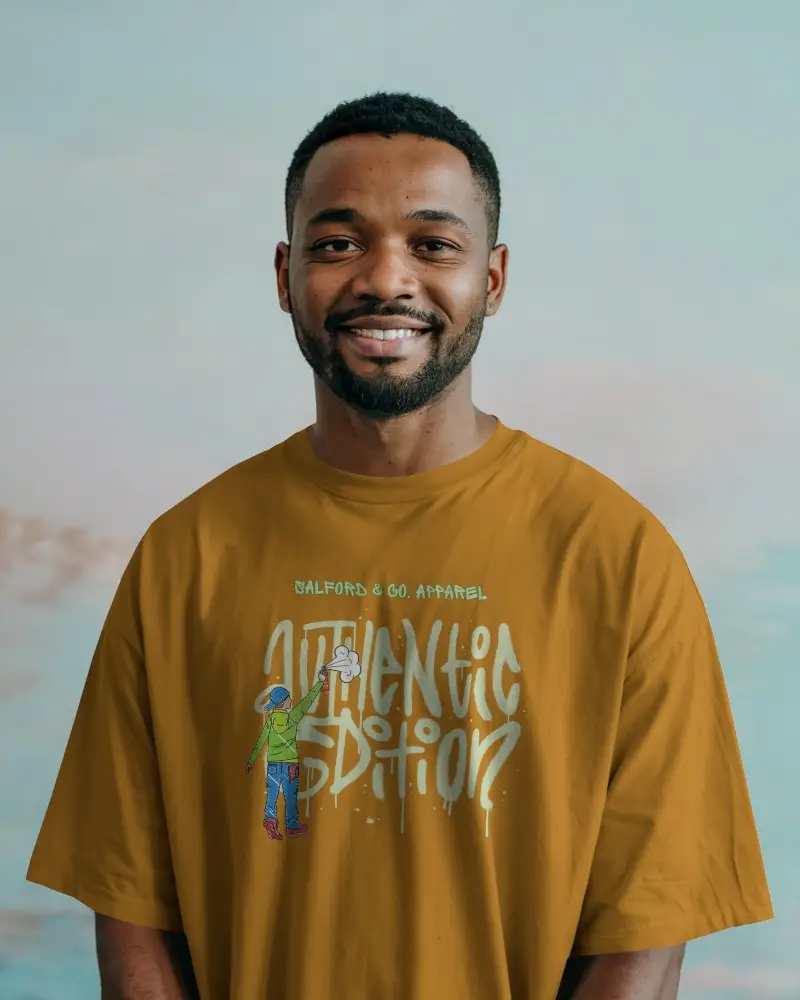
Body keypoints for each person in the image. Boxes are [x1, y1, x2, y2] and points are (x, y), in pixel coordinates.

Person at [27, 92, 772, 1000]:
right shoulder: (184, 559)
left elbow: (646, 934)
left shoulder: (617, 557)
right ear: (283, 274)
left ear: (492, 279)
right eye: (338, 243)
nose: (386, 279)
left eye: (433, 244)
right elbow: (131, 916)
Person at [245, 666, 328, 840]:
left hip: (273, 765)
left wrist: (251, 761)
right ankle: (291, 825)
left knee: (272, 795)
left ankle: (270, 819)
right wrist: (320, 682)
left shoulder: (270, 721)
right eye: (288, 698)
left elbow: (261, 740)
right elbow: (307, 701)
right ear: (283, 702)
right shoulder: (292, 717)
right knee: (290, 797)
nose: (291, 700)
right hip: (290, 764)